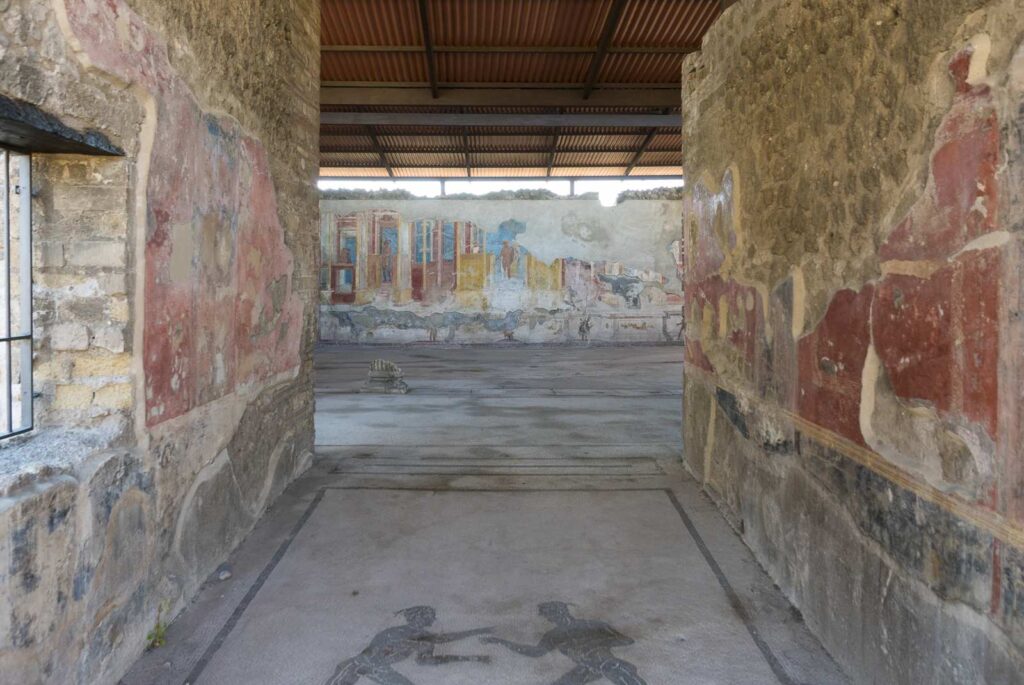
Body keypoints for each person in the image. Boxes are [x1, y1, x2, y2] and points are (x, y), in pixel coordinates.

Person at [482, 602, 647, 685]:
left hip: (607, 662)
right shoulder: (553, 635)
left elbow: (626, 640)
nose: (550, 619)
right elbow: (535, 652)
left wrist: (596, 643)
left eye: (551, 615)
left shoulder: (594, 624)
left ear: (563, 612)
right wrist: (501, 642)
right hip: (586, 667)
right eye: (548, 616)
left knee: (622, 674)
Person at [325, 606, 491, 685]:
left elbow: (426, 660)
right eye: (428, 617)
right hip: (356, 665)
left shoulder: (421, 638)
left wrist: (469, 658)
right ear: (417, 618)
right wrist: (478, 631)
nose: (431, 620)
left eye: (431, 618)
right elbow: (442, 639)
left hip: (376, 667)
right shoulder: (398, 632)